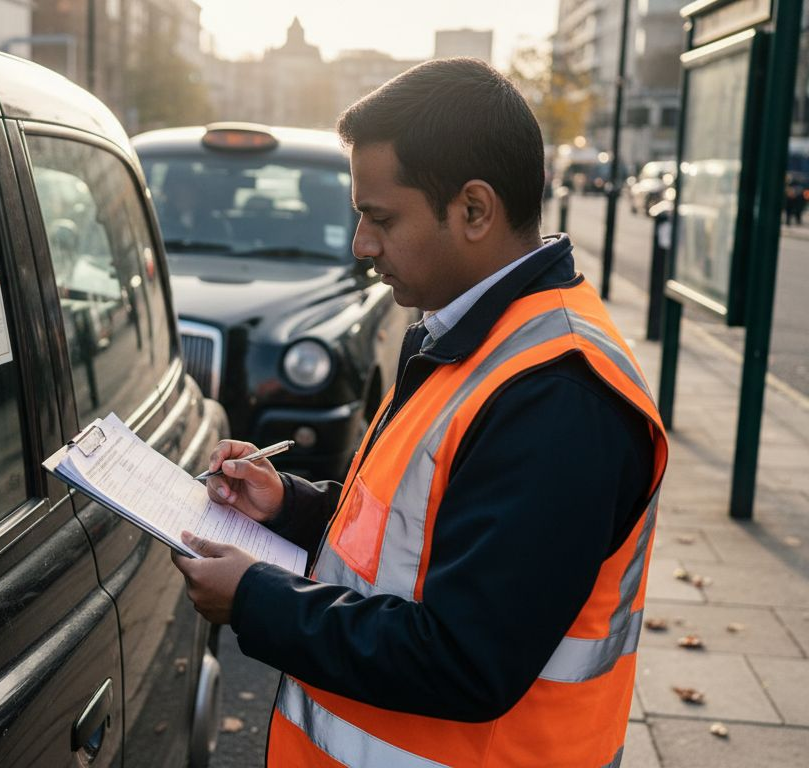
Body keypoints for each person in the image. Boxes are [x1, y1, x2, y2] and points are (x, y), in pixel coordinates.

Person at [172, 58, 669, 767]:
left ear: (473, 209)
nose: (361, 245)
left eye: (381, 218)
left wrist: (255, 600)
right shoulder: (474, 337)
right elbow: (409, 542)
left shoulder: (559, 396)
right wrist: (290, 507)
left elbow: (465, 658)